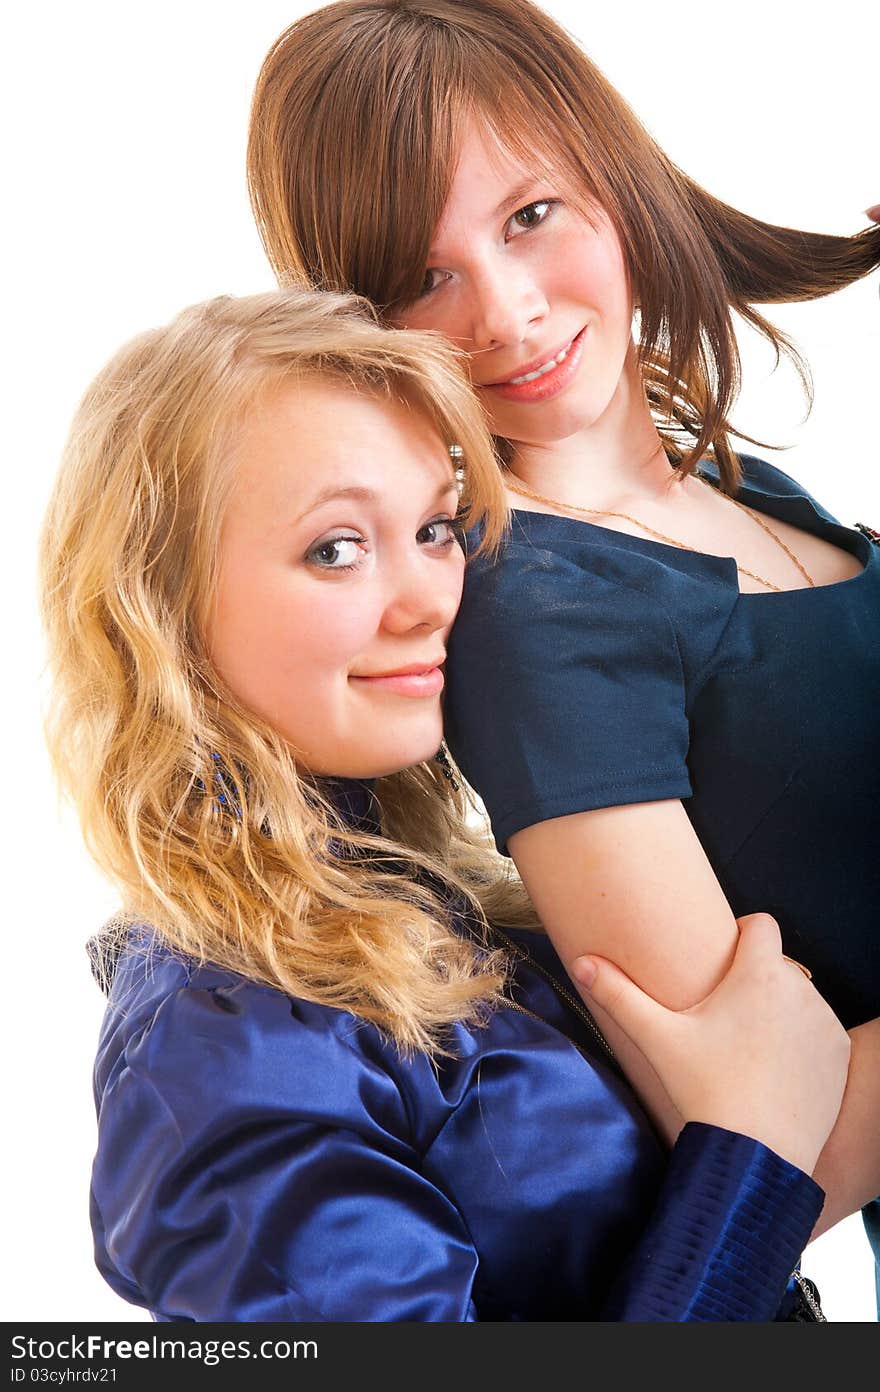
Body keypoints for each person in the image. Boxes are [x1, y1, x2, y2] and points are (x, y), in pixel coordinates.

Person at [39, 287, 847, 1321]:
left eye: (431, 527)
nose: (432, 596)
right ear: (161, 611)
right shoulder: (212, 1036)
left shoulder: (432, 898)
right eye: (336, 547)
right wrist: (752, 1155)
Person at [244, 0, 880, 1264]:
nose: (507, 312)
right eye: (423, 276)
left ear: (615, 179)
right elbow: (775, 1162)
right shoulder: (539, 609)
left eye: (529, 215)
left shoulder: (735, 488)